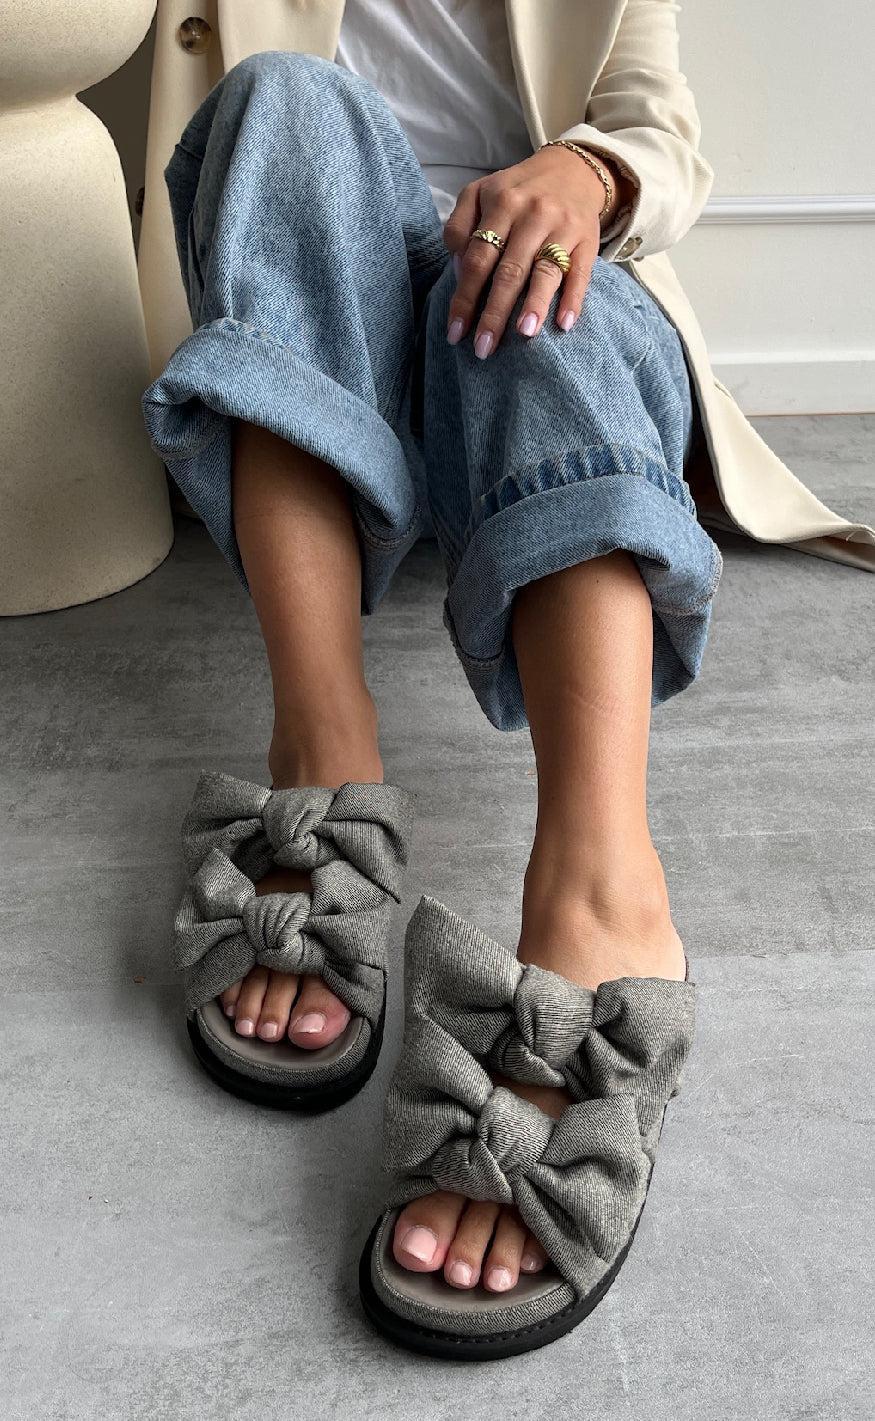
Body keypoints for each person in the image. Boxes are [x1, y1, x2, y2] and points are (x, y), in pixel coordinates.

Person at [140, 2, 869, 1359]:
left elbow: (658, 129)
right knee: (282, 97)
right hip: (333, 334)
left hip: (540, 330)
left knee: (538, 281)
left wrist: (584, 174)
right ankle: (325, 744)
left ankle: (605, 897)